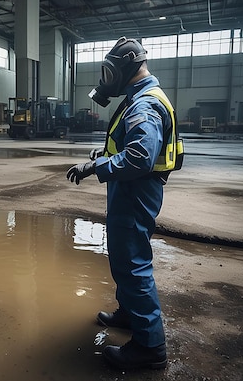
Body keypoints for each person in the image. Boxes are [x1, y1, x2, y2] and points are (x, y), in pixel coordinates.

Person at [66, 37, 182, 370]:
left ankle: (150, 347)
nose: (105, 79)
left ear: (126, 68)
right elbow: (128, 147)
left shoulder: (144, 104)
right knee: (123, 259)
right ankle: (130, 315)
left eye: (108, 72)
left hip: (135, 193)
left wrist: (95, 167)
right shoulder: (139, 98)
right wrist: (104, 154)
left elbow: (140, 158)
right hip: (129, 191)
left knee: (132, 266)